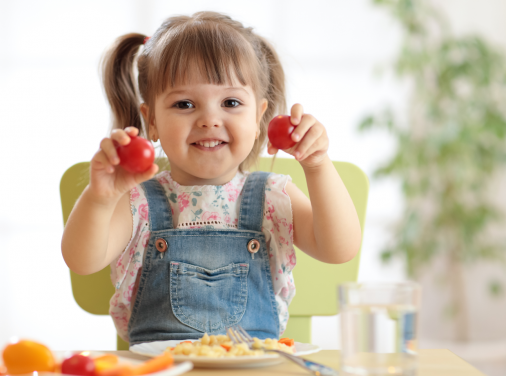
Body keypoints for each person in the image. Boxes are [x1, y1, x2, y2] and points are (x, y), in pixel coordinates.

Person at [62, 11, 361, 345]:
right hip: (163, 366)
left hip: (253, 367)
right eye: (185, 103)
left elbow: (340, 249)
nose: (209, 119)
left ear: (260, 116)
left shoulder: (273, 196)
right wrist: (99, 199)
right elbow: (82, 261)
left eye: (231, 102)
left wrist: (318, 165)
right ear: (152, 121)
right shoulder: (138, 202)